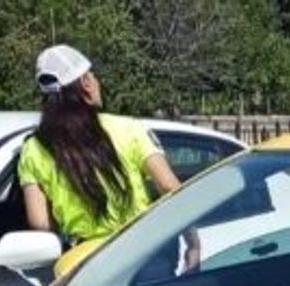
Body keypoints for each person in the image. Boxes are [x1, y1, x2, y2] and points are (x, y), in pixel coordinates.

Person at [17, 45, 196, 271]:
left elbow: (40, 223)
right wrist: (193, 243)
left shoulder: (34, 148)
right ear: (86, 83)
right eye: (93, 76)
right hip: (144, 254)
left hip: (84, 265)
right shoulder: (129, 129)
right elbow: (170, 187)